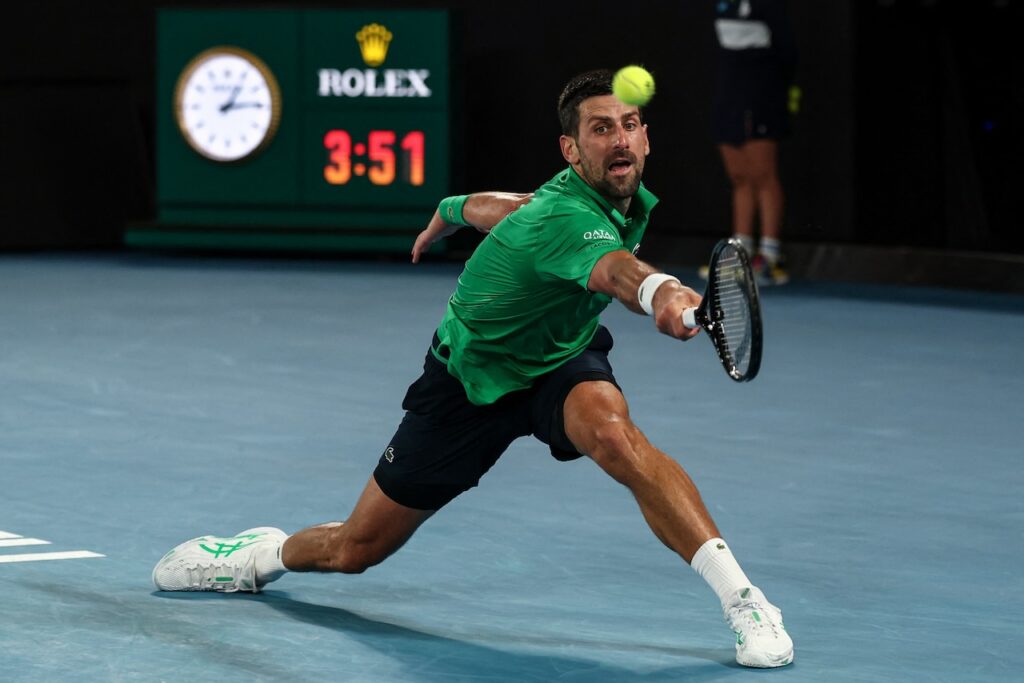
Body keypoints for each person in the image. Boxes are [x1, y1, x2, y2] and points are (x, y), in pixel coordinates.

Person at [152, 69, 794, 669]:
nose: (619, 140)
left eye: (629, 125)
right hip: (467, 382)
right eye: (601, 129)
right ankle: (255, 556)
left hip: (558, 358)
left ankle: (745, 601)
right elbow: (622, 274)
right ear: (572, 150)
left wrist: (451, 208)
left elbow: (504, 207)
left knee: (616, 438)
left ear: (646, 136)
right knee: (355, 550)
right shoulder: (568, 218)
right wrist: (666, 295)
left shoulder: (586, 202)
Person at [709, 0, 798, 285]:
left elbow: (788, 52)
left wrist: (779, 95)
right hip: (728, 99)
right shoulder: (722, 5)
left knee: (763, 175)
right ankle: (741, 255)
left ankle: (770, 257)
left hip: (762, 98)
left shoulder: (767, 5)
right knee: (739, 177)